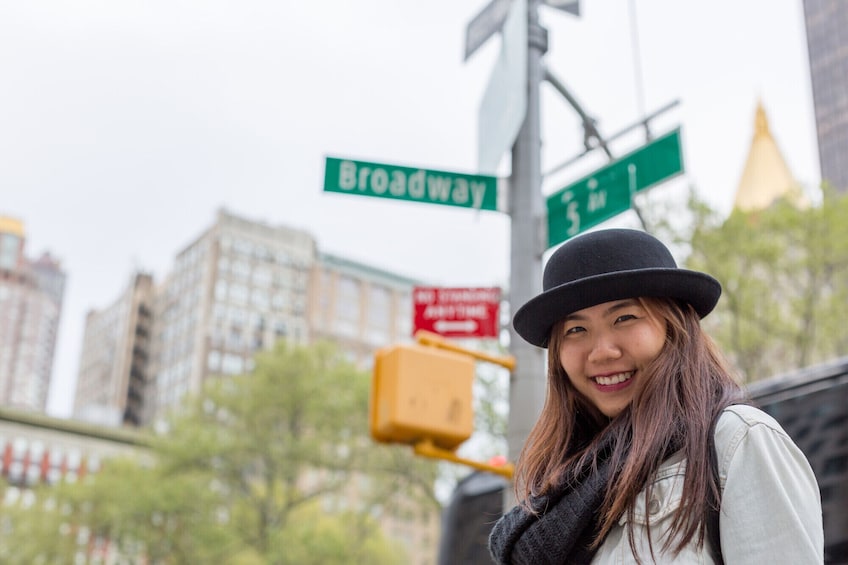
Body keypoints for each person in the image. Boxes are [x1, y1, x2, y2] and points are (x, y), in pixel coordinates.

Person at [488, 228, 823, 564]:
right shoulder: (559, 486)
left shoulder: (737, 441)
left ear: (674, 327)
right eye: (576, 330)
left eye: (625, 318)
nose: (602, 352)